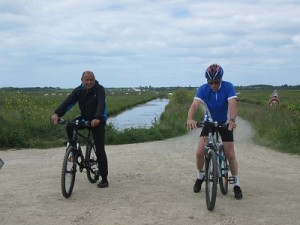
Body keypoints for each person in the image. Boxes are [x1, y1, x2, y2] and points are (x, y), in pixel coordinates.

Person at [186, 64, 243, 199]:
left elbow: (233, 104)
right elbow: (195, 104)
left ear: (221, 79)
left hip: (225, 122)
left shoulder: (228, 87)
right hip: (209, 122)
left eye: (216, 82)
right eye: (210, 82)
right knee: (199, 152)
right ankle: (200, 176)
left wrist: (232, 120)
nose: (213, 85)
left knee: (230, 154)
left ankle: (236, 183)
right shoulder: (203, 89)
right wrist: (190, 118)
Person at [51, 71, 109, 188]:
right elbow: (68, 102)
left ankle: (104, 178)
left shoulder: (99, 89)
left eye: (91, 80)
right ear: (82, 80)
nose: (89, 82)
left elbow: (101, 104)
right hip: (85, 117)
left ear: (94, 79)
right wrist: (57, 113)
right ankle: (74, 150)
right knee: (70, 125)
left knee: (100, 149)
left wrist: (97, 118)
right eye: (86, 80)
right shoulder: (78, 90)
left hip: (98, 120)